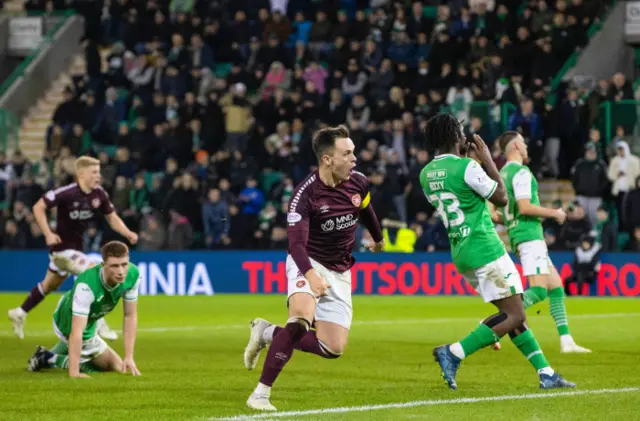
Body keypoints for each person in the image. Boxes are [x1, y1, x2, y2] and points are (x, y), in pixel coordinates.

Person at [419, 114, 574, 391]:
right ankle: (454, 352)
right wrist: (488, 160)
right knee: (515, 315)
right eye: (462, 129)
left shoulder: (426, 173)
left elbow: (459, 190)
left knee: (510, 314)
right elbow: (501, 198)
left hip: (461, 251)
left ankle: (546, 373)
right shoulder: (467, 167)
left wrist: (470, 162)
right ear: (455, 135)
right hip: (485, 248)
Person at [242, 125, 385, 411]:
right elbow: (296, 245)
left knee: (333, 349)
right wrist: (311, 276)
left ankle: (267, 332)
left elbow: (366, 210)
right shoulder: (305, 195)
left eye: (353, 152)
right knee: (300, 320)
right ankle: (260, 394)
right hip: (308, 261)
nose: (354, 159)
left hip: (340, 269)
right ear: (327, 159)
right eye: (347, 153)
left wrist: (378, 239)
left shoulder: (358, 183)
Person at [8, 156, 138, 340]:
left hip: (75, 251)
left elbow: (112, 217)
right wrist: (47, 233)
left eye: (99, 172)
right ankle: (100, 324)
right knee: (94, 269)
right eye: (94, 172)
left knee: (48, 286)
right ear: (81, 174)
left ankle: (19, 312)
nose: (98, 176)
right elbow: (39, 206)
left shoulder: (99, 194)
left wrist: (127, 233)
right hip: (61, 250)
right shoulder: (67, 192)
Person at [490, 131, 590, 353]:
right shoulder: (521, 172)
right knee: (538, 292)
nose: (526, 146)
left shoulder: (500, 175)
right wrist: (554, 213)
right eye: (523, 143)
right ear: (516, 146)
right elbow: (525, 207)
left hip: (521, 236)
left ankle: (566, 341)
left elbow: (492, 213)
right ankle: (491, 325)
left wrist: (511, 221)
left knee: (555, 288)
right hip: (530, 236)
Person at [27, 241, 141, 377]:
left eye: (124, 264)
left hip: (91, 317)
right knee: (114, 366)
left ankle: (46, 354)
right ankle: (49, 359)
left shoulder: (132, 274)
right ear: (103, 265)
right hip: (67, 317)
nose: (121, 271)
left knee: (119, 364)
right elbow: (76, 331)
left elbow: (130, 315)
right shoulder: (86, 286)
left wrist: (129, 356)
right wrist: (74, 373)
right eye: (115, 266)